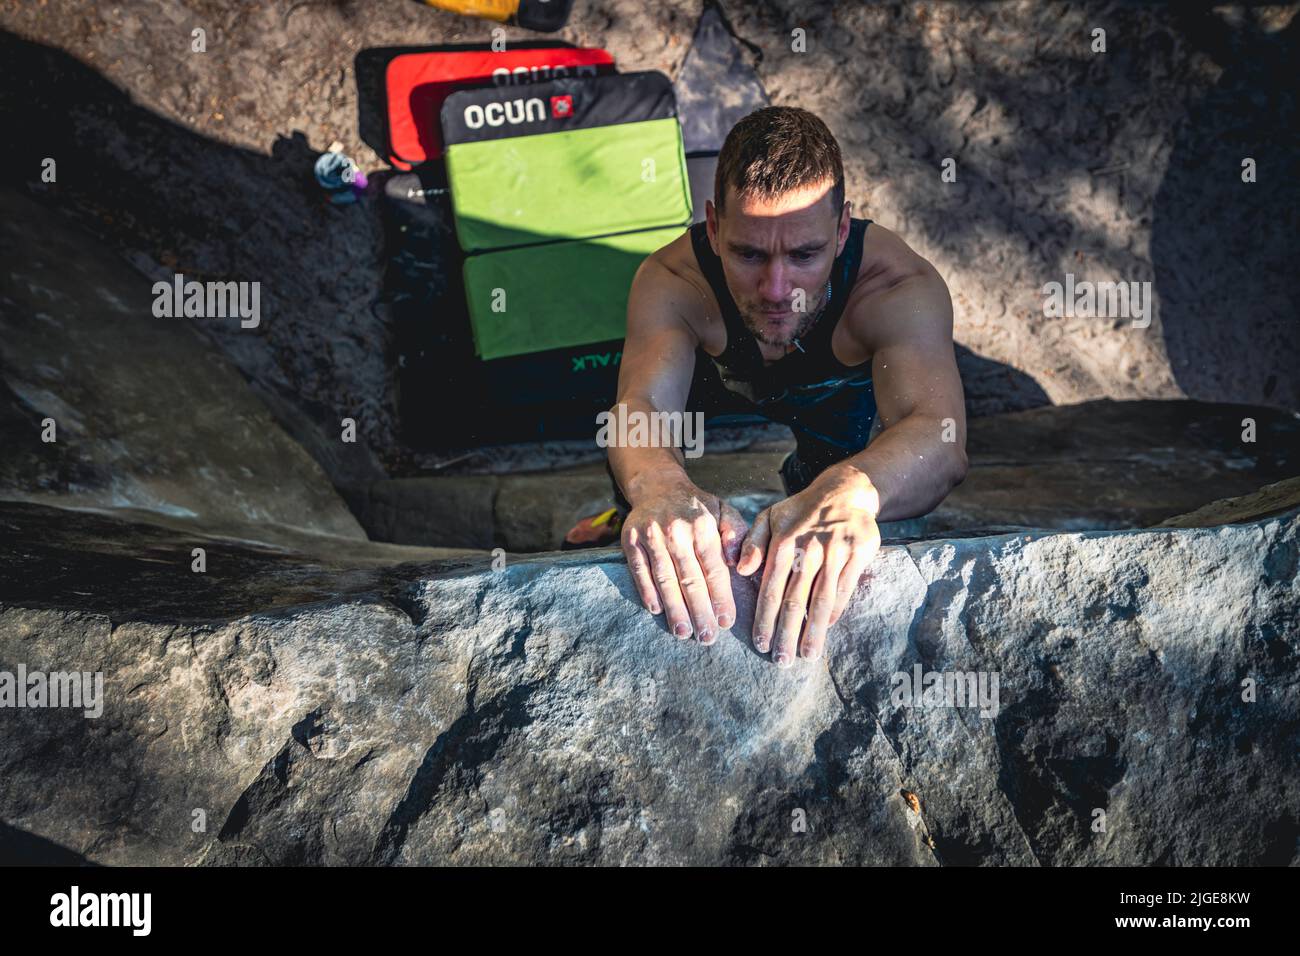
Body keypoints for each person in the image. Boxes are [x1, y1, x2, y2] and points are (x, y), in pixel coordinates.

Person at [569, 105, 968, 666]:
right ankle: (626, 513)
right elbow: (643, 406)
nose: (776, 288)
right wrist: (657, 489)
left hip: (833, 392)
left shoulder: (897, 286)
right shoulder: (674, 279)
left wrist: (852, 489)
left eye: (804, 255)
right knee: (636, 459)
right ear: (713, 228)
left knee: (843, 495)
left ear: (841, 230)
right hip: (714, 379)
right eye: (748, 253)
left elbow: (939, 436)